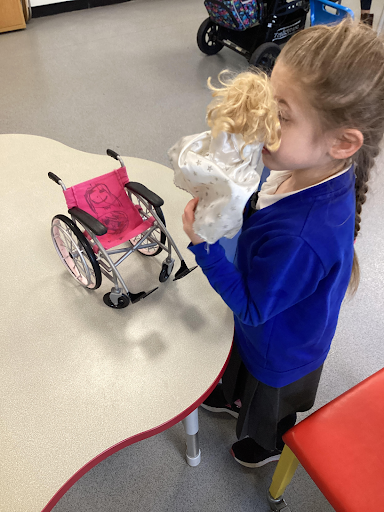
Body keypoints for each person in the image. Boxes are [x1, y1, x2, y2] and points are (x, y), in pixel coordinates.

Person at [182, 19, 384, 468]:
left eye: (283, 115)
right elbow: (265, 212)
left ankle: (267, 445)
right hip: (271, 319)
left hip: (281, 346)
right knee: (242, 367)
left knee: (267, 406)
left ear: (342, 142)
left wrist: (205, 247)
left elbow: (253, 310)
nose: (261, 120)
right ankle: (233, 395)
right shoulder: (310, 167)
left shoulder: (302, 235)